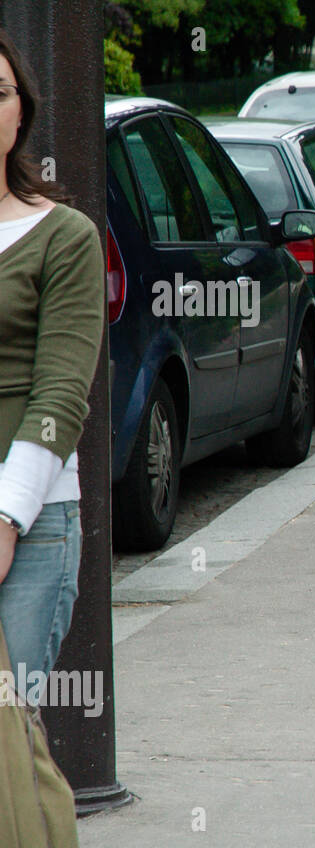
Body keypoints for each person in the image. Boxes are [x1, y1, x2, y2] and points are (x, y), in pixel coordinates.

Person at [0, 30, 105, 705]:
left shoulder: (65, 238)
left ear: (20, 113)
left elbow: (62, 390)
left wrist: (6, 520)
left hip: (29, 522)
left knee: (7, 739)